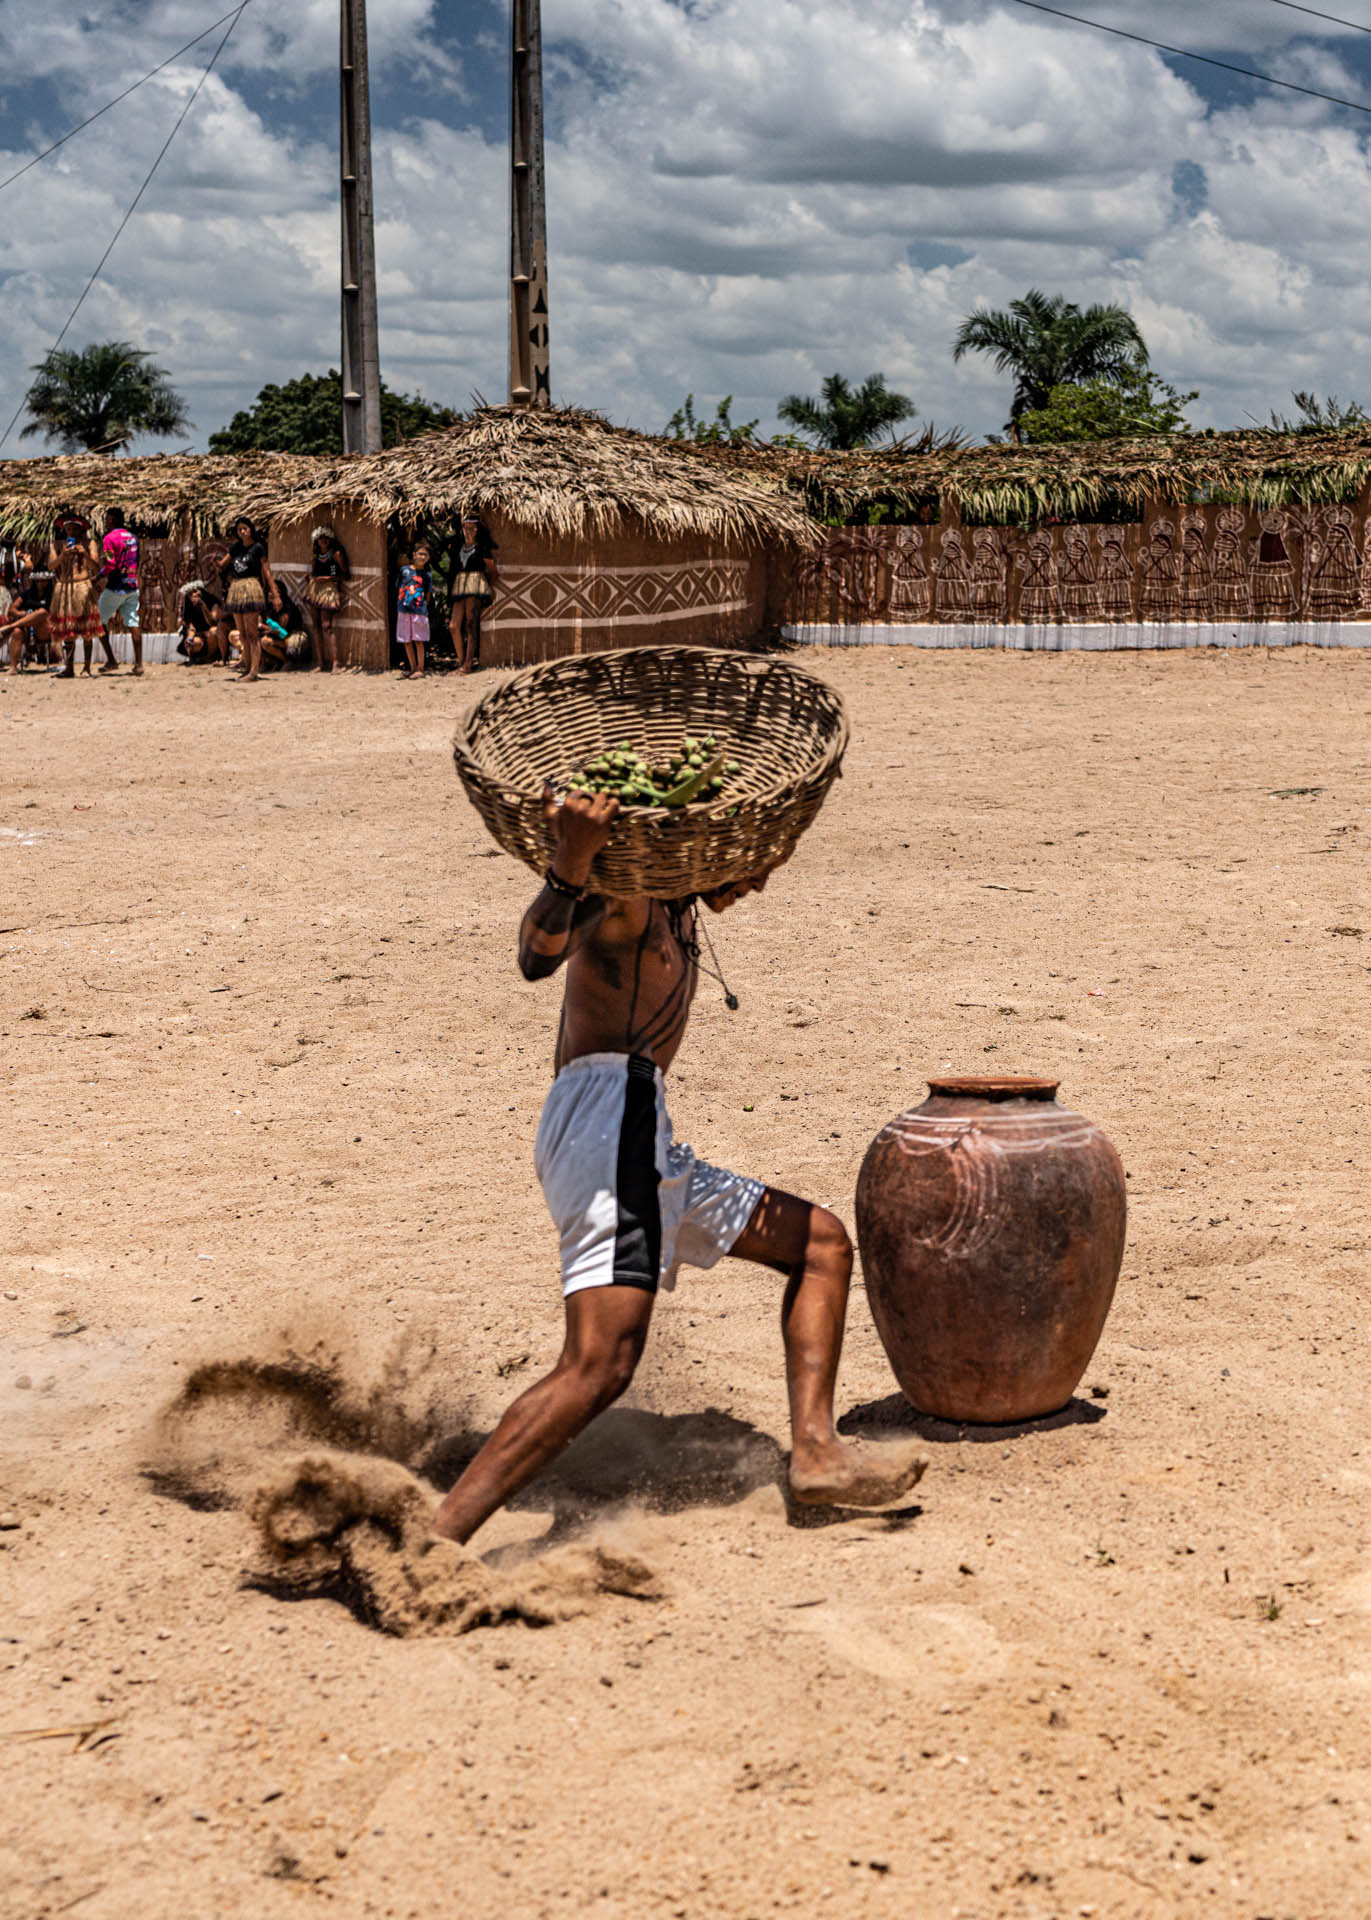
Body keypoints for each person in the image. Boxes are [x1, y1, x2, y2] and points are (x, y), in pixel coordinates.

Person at [430, 788, 929, 1545]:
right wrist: (570, 863)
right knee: (599, 1365)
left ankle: (817, 1455)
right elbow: (537, 955)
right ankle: (433, 1543)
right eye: (747, 862)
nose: (755, 880)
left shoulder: (677, 911)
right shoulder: (628, 897)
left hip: (637, 1127)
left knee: (820, 1244)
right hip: (609, 1122)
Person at [219, 517, 282, 683]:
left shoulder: (258, 548)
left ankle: (254, 672)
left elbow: (267, 572)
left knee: (252, 633)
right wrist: (216, 565)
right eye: (239, 529)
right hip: (237, 589)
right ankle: (247, 668)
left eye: (245, 528)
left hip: (252, 588)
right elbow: (223, 564)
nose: (242, 532)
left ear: (251, 529)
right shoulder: (235, 548)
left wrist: (275, 594)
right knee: (243, 634)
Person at [48, 507, 109, 676]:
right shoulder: (57, 544)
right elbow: (51, 566)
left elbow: (97, 568)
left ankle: (87, 667)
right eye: (68, 529)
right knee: (68, 629)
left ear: (81, 529)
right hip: (64, 588)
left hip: (83, 587)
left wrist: (86, 555)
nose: (71, 531)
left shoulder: (90, 544)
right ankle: (69, 667)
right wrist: (62, 556)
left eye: (74, 529)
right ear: (64, 529)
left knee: (87, 629)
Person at [444, 511, 497, 673]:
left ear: (478, 530)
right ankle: (460, 661)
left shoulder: (482, 549)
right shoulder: (458, 546)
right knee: (453, 625)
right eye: (466, 528)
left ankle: (467, 664)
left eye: (472, 529)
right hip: (460, 585)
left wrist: (487, 587)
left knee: (470, 624)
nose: (469, 532)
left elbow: (493, 570)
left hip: (475, 584)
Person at [98, 509, 143, 676]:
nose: (105, 522)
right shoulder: (133, 538)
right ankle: (139, 664)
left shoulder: (109, 538)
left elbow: (110, 564)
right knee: (133, 623)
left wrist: (98, 576)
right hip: (132, 585)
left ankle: (111, 660)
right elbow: (137, 560)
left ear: (113, 520)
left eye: (107, 519)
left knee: (97, 621)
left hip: (116, 586)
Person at [303, 525, 350, 672]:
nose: (322, 541)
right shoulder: (316, 556)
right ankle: (321, 663)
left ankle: (335, 662)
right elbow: (313, 572)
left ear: (330, 540)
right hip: (315, 590)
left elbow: (345, 574)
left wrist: (326, 578)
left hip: (329, 590)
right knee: (316, 626)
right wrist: (311, 578)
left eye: (325, 538)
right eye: (319, 539)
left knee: (326, 626)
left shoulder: (336, 554)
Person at [1, 547, 53, 674]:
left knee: (42, 613)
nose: (41, 583)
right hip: (26, 629)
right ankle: (13, 667)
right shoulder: (27, 594)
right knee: (17, 632)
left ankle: (10, 626)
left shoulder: (52, 595)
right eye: (39, 581)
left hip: (44, 629)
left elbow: (51, 613)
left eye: (44, 581)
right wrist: (20, 613)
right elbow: (12, 608)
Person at [396, 540, 433, 679]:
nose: (423, 557)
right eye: (420, 554)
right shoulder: (404, 570)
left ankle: (420, 668)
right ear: (414, 555)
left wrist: (422, 606)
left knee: (419, 640)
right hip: (403, 610)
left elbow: (428, 595)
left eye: (426, 555)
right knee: (406, 640)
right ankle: (412, 667)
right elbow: (399, 588)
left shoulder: (427, 574)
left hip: (419, 611)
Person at [177, 580, 230, 664]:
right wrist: (190, 639)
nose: (193, 595)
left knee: (214, 631)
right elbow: (191, 627)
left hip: (212, 637)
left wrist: (203, 606)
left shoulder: (212, 602)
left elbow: (212, 622)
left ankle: (210, 658)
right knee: (193, 642)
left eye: (195, 591)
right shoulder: (188, 606)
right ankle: (197, 658)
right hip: (199, 635)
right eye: (190, 594)